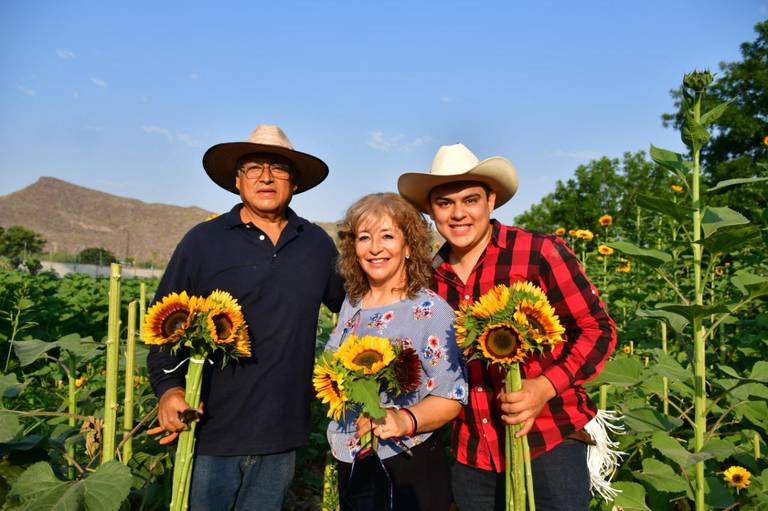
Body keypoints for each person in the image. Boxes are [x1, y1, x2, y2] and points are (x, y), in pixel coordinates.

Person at [398, 143, 617, 511]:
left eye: (470, 200)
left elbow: (598, 329)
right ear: (431, 211)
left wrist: (543, 387)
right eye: (445, 203)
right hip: (473, 449)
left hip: (550, 436)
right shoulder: (429, 280)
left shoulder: (537, 253)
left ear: (491, 201)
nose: (458, 214)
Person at [147, 125, 345, 510]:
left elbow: (356, 311)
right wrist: (169, 391)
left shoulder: (316, 245)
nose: (266, 177)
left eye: (279, 168)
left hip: (281, 433)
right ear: (238, 181)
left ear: (296, 182)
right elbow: (163, 331)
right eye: (254, 167)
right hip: (208, 429)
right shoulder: (203, 241)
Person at [325, 192, 467, 511]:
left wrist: (403, 419)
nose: (375, 248)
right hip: (352, 457)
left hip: (406, 462)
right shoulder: (353, 304)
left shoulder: (430, 310)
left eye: (387, 236)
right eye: (364, 237)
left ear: (408, 246)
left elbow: (452, 396)